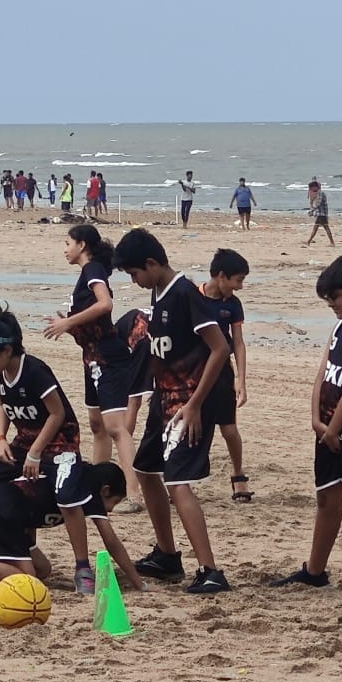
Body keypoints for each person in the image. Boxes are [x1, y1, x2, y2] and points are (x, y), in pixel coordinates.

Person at [114, 228, 232, 594]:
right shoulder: (158, 294)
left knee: (178, 481)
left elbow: (220, 349)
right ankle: (167, 556)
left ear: (151, 264)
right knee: (145, 470)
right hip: (163, 401)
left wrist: (196, 404)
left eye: (135, 274)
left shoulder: (185, 294)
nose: (134, 282)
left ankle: (211, 570)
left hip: (190, 404)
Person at [0, 308, 99, 595]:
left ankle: (82, 566)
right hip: (25, 441)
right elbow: (3, 405)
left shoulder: (35, 371)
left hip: (60, 443)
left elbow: (57, 414)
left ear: (7, 349)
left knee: (66, 497)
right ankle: (20, 547)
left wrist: (36, 453)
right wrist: (0, 438)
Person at [272, 256, 342, 588]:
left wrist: (334, 427)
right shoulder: (341, 326)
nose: (332, 306)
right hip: (328, 429)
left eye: (335, 298)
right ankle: (315, 570)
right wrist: (315, 419)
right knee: (326, 496)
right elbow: (323, 372)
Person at [0, 459, 146, 598]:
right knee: (27, 578)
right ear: (105, 490)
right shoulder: (88, 492)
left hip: (5, 514)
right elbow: (111, 541)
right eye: (115, 502)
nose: (110, 510)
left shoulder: (79, 481)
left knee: (42, 569)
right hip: (0, 513)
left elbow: (33, 507)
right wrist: (139, 584)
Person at [42, 226, 141, 505]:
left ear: (82, 245)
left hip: (108, 355)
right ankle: (99, 485)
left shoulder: (93, 270)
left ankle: (133, 492)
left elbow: (105, 304)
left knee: (115, 427)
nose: (65, 249)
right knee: (97, 424)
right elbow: (93, 316)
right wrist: (72, 325)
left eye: (67, 243)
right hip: (91, 355)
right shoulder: (86, 274)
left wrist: (69, 322)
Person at [200, 249, 253, 502]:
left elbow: (238, 343)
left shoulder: (232, 304)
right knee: (192, 427)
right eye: (238, 280)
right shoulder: (192, 297)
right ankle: (181, 480)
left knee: (229, 428)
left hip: (221, 374)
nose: (240, 286)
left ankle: (238, 475)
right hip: (194, 373)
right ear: (221, 276)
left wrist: (240, 380)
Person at [305, 179, 334, 246]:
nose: (311, 189)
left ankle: (332, 243)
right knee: (316, 228)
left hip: (322, 214)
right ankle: (308, 241)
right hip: (320, 214)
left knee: (325, 228)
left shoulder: (320, 193)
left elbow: (318, 204)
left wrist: (311, 211)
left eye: (312, 188)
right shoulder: (318, 193)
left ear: (315, 187)